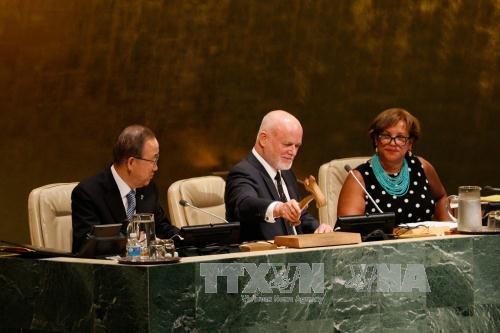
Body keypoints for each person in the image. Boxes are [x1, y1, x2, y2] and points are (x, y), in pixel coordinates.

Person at [225, 110, 333, 242]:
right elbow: (244, 204)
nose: (293, 152)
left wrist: (318, 228)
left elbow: (299, 215)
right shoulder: (242, 172)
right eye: (287, 144)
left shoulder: (286, 172)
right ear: (264, 139)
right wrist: (278, 208)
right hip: (263, 259)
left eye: (297, 146)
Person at [71, 125, 178, 254]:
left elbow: (163, 229)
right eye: (153, 161)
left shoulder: (149, 190)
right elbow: (86, 245)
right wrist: (133, 241)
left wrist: (188, 237)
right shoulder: (88, 193)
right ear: (131, 163)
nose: (156, 168)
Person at [337, 108, 449, 224]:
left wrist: (449, 230)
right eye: (386, 136)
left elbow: (441, 197)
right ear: (376, 140)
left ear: (409, 144)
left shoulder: (422, 166)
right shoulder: (358, 178)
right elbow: (349, 229)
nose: (393, 142)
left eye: (400, 138)